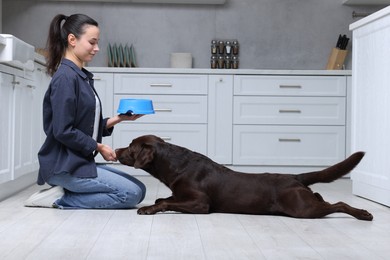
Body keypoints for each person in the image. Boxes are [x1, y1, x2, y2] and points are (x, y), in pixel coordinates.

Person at [24, 14, 146, 209]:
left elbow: (86, 125)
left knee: (140, 188)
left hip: (78, 162)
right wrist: (99, 146)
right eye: (92, 42)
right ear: (72, 40)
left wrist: (119, 119)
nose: (97, 48)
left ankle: (67, 192)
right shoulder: (66, 78)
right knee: (130, 193)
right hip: (63, 167)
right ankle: (58, 199)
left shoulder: (79, 76)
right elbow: (63, 131)